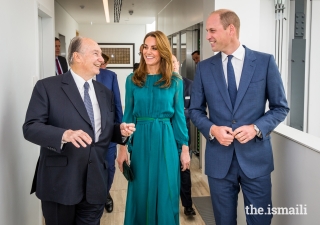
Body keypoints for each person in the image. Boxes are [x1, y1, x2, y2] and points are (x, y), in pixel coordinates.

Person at [189, 9, 289, 225]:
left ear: (231, 29)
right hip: (219, 163)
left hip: (256, 161)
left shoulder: (264, 62)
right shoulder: (204, 68)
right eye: (207, 31)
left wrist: (256, 128)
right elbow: (194, 110)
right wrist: (212, 129)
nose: (208, 36)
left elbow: (280, 107)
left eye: (212, 30)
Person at [23, 36, 135, 225]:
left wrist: (119, 131)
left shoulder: (104, 92)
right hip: (60, 183)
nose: (101, 59)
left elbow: (101, 129)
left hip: (95, 182)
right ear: (77, 57)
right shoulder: (47, 87)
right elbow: (30, 127)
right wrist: (64, 135)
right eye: (96, 53)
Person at [117, 31, 190, 225]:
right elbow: (128, 116)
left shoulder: (175, 81)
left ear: (163, 51)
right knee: (141, 190)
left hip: (166, 140)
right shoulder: (132, 80)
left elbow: (179, 117)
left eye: (154, 48)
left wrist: (184, 148)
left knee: (166, 190)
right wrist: (122, 148)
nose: (148, 52)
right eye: (146, 47)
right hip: (140, 141)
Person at [96, 53, 123, 213]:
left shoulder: (110, 76)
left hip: (108, 131)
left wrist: (119, 132)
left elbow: (117, 103)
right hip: (85, 135)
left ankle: (104, 194)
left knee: (109, 166)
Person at [172, 55, 196, 216]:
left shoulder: (189, 85)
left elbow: (194, 111)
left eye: (174, 62)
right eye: (169, 62)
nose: (172, 65)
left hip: (184, 136)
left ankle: (187, 205)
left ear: (179, 64)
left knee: (184, 170)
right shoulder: (164, 85)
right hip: (166, 135)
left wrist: (178, 114)